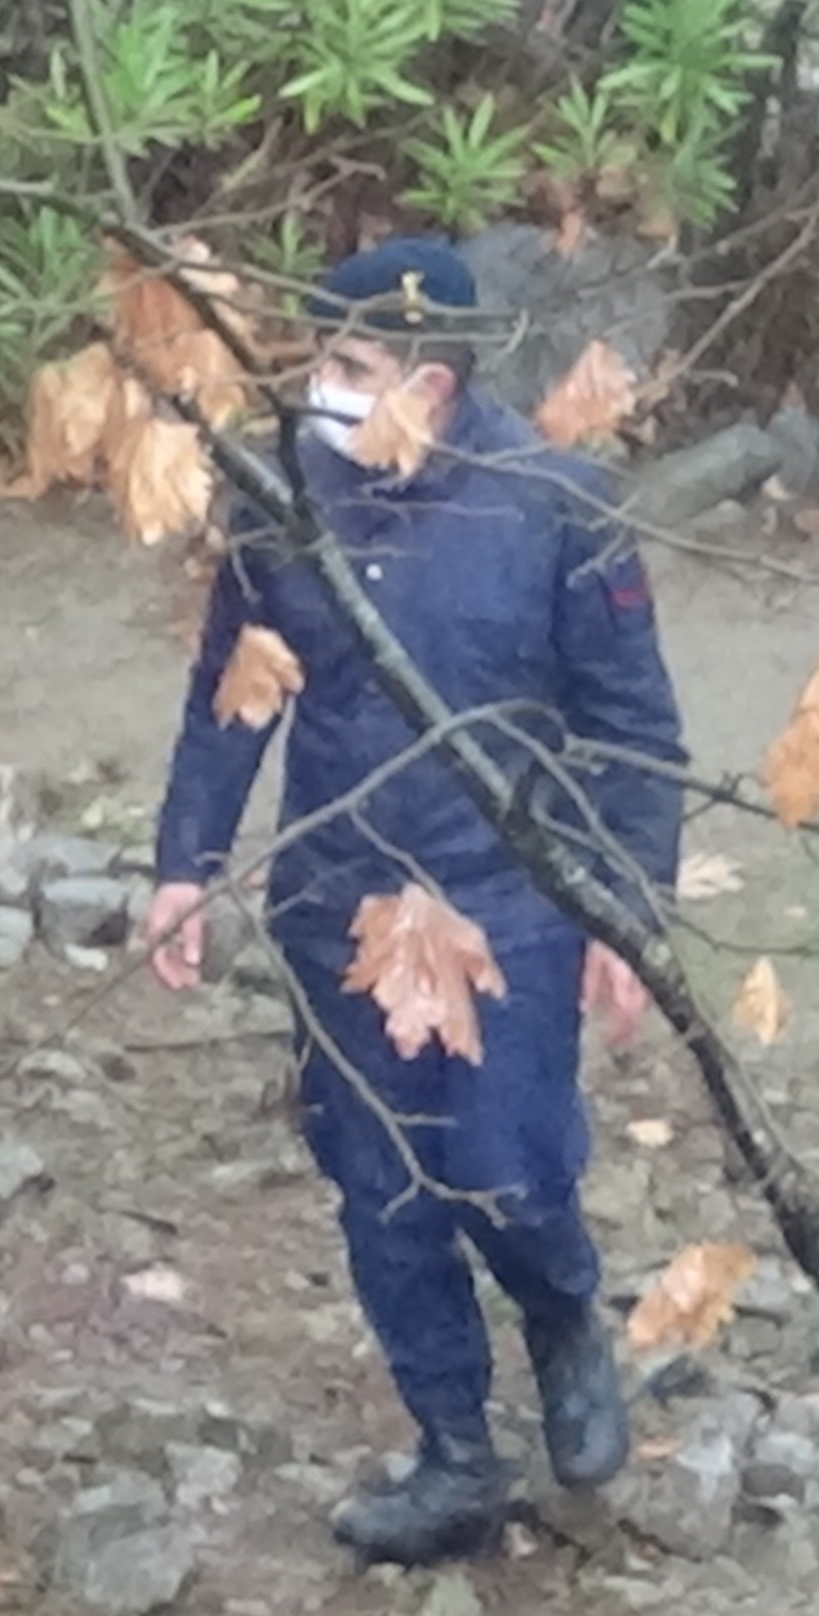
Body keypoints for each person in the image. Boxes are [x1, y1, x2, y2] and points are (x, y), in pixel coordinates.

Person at [141, 238, 686, 1564]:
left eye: (350, 369)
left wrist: (625, 910)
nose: (319, 390)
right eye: (321, 361)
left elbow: (633, 731)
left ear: (430, 386)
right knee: (379, 1189)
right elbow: (236, 694)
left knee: (507, 1170)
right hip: (339, 903)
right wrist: (184, 863)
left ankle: (563, 1318)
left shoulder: (553, 505)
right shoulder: (286, 504)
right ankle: (453, 1452)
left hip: (510, 909)